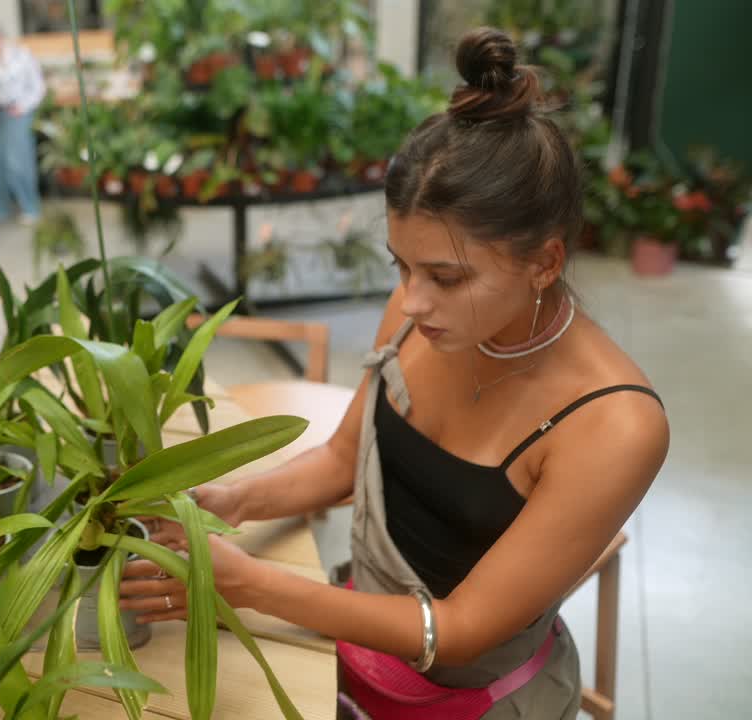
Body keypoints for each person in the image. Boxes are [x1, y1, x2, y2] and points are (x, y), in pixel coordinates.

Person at [119, 28, 669, 719]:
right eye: (400, 266)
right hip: (357, 644)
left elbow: (463, 628)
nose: (411, 302)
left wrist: (251, 584)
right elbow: (348, 457)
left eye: (446, 276)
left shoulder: (613, 423)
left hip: (474, 696)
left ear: (545, 262)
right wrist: (234, 503)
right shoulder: (418, 317)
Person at [0, 25, 46, 225]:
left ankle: (30, 206)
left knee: (18, 163)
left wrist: (24, 107)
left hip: (17, 113)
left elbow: (38, 87)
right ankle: (2, 207)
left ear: (0, 38)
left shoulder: (21, 56)